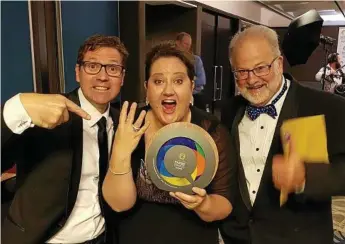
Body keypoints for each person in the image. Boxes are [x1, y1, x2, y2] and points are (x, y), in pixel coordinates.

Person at [220, 25, 345, 244]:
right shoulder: (230, 110)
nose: (251, 79)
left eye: (261, 68)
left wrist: (306, 177)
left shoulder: (322, 106)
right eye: (242, 71)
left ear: (279, 63)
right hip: (238, 238)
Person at [102, 41, 236, 244]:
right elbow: (119, 204)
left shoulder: (212, 131)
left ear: (192, 87)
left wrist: (203, 204)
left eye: (178, 81)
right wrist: (120, 152)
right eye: (158, 82)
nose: (168, 91)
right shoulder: (130, 125)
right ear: (147, 88)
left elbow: (224, 204)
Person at [1, 34, 128, 244]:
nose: (103, 76)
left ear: (122, 77)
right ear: (78, 73)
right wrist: (16, 108)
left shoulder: (122, 120)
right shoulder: (47, 113)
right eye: (92, 66)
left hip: (101, 237)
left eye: (112, 68)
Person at [175, 32, 208, 111]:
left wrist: (182, 81)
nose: (188, 47)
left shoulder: (196, 60)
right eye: (185, 44)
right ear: (177, 43)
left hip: (196, 97)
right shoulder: (171, 59)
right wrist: (191, 78)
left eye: (189, 44)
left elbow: (202, 81)